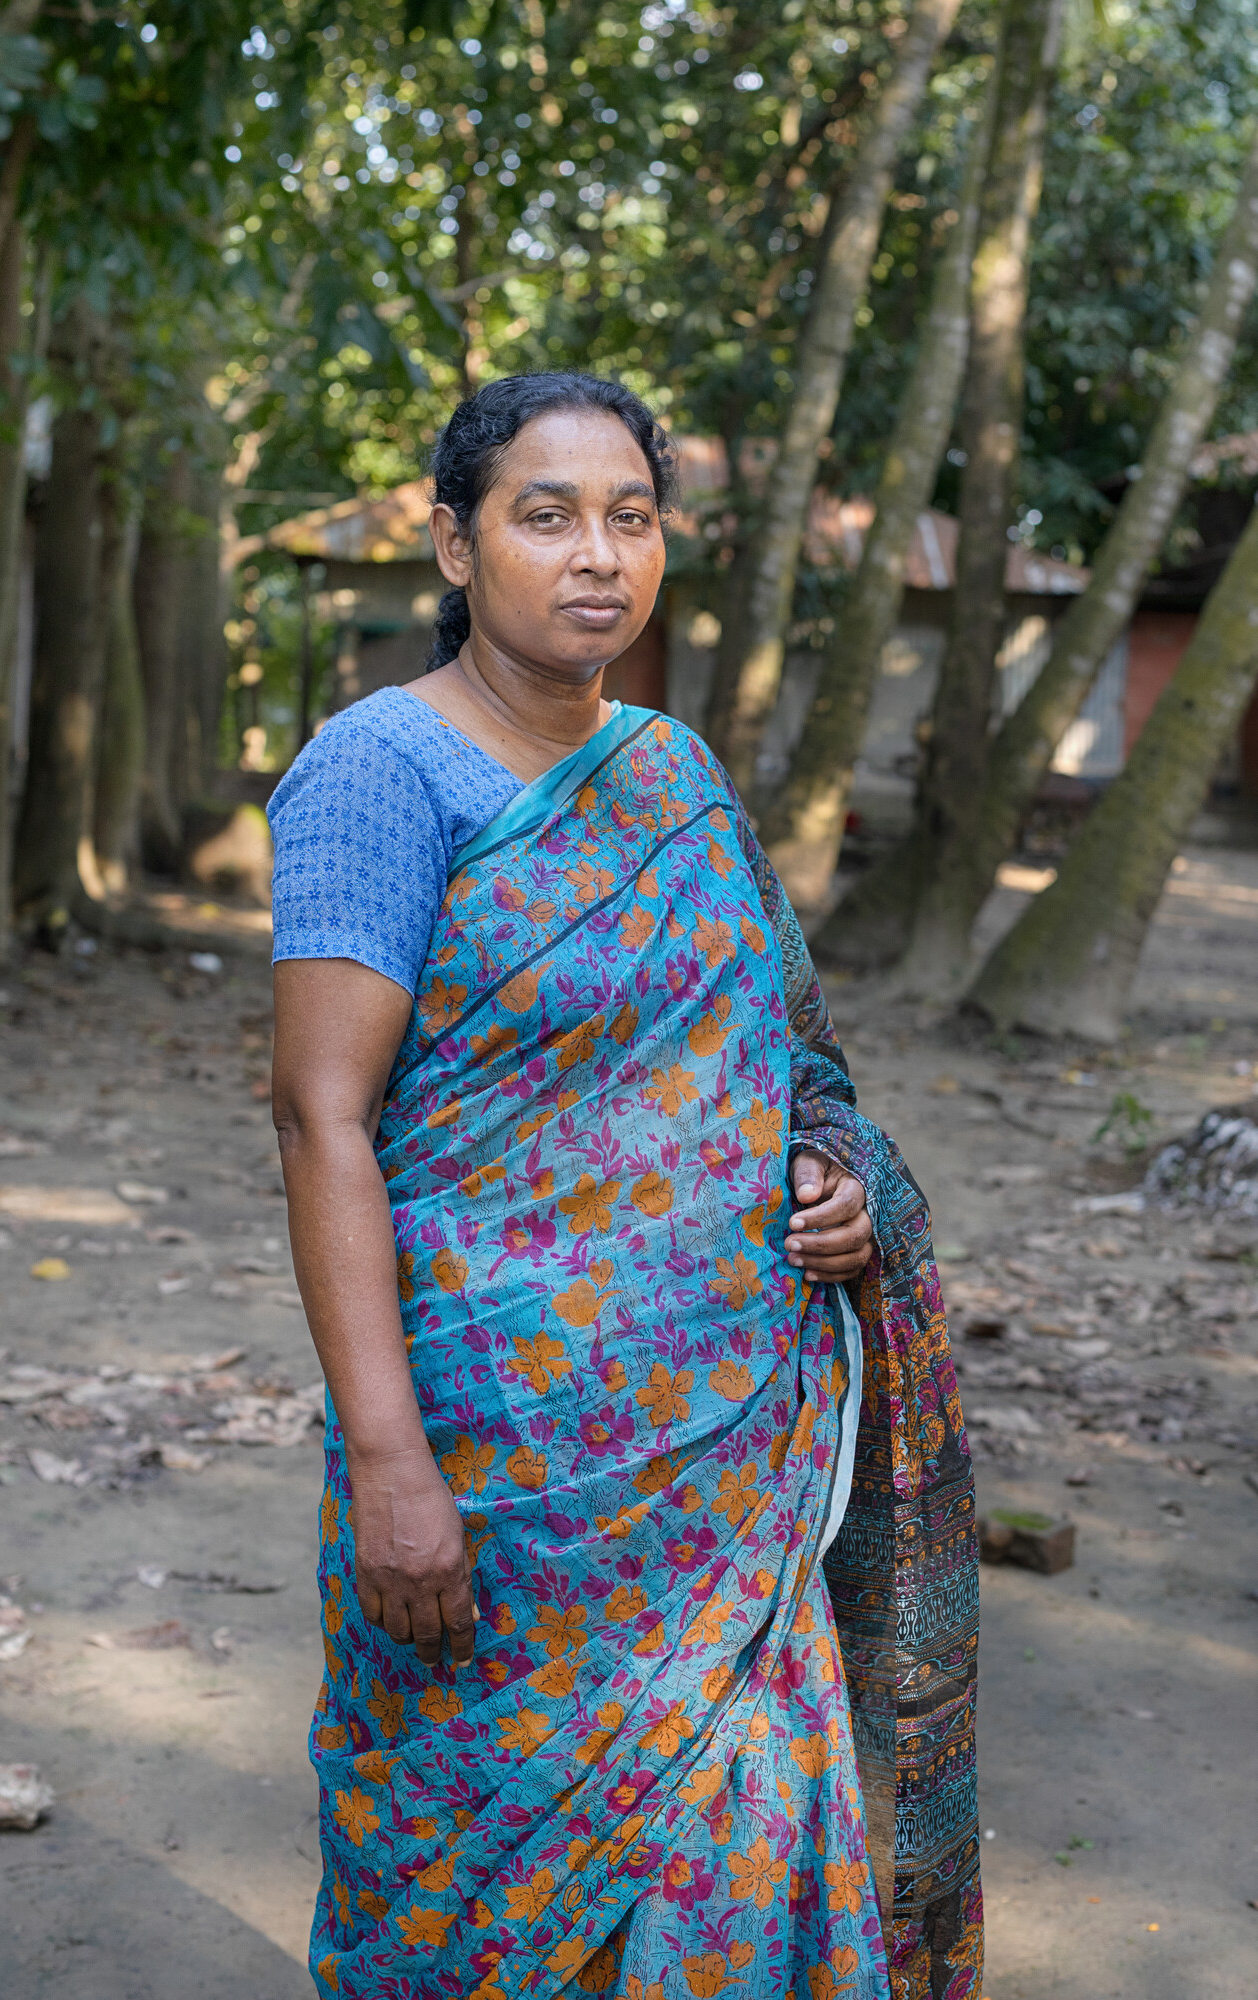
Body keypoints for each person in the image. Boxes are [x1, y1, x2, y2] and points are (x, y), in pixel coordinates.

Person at [268, 372, 982, 2000]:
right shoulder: (380, 776)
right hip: (496, 1493)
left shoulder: (672, 778)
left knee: (737, 1885)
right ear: (454, 546)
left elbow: (792, 1058)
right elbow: (323, 1125)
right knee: (472, 1889)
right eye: (546, 515)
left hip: (726, 1494)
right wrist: (392, 1465)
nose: (598, 555)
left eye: (631, 517)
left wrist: (838, 1185)